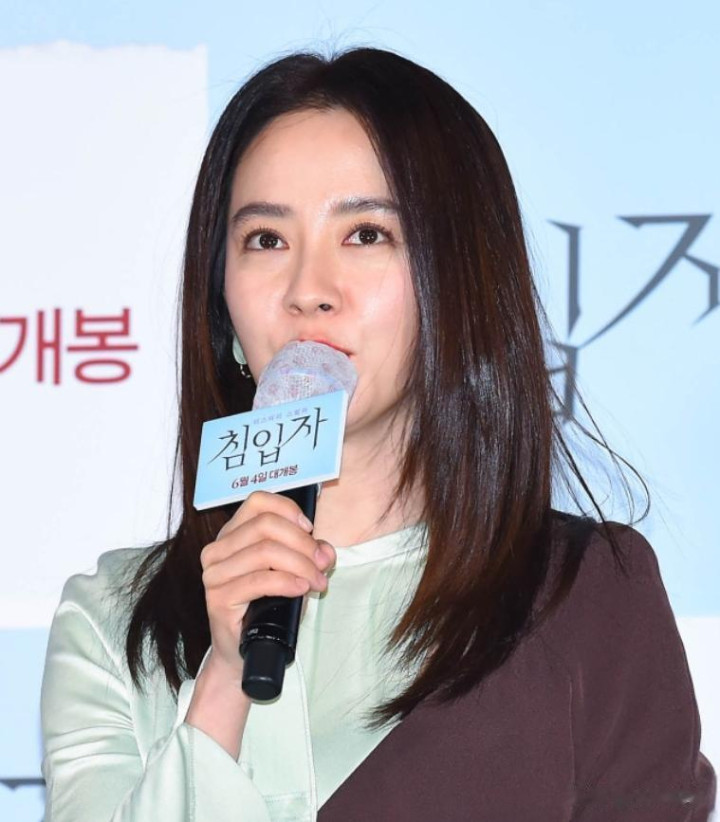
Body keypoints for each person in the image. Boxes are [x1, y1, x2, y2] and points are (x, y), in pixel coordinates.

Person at [41, 47, 715, 821]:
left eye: (365, 234)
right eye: (266, 239)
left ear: (455, 282)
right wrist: (222, 686)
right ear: (222, 301)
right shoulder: (111, 623)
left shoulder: (582, 596)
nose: (308, 291)